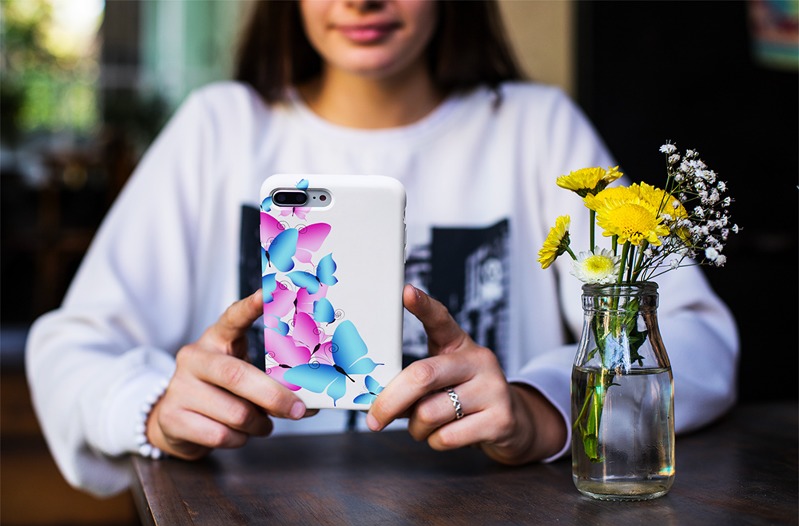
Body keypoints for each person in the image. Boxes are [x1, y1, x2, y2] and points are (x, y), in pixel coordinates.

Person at [26, 0, 739, 497]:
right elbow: (71, 346)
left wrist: (540, 405)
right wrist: (154, 409)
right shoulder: (219, 127)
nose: (361, 1)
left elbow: (694, 336)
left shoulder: (535, 126)